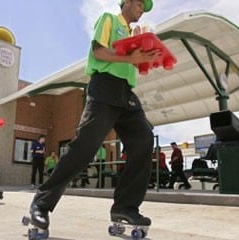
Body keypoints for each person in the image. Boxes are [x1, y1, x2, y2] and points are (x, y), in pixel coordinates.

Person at [27, 0, 157, 232]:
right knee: (83, 149)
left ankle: (125, 207)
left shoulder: (131, 33)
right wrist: (131, 58)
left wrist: (143, 53)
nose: (141, 10)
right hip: (104, 88)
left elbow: (132, 64)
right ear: (126, 2)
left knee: (144, 139)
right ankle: (41, 203)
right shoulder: (109, 20)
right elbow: (99, 51)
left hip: (126, 92)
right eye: (139, 4)